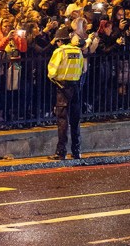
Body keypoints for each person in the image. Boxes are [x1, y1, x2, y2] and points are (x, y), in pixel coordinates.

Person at [47, 27, 85, 160]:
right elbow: (82, 70)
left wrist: (55, 78)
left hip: (62, 88)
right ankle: (77, 151)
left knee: (63, 120)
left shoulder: (60, 51)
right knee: (75, 120)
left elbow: (52, 71)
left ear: (59, 41)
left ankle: (61, 151)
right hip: (75, 88)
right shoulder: (78, 51)